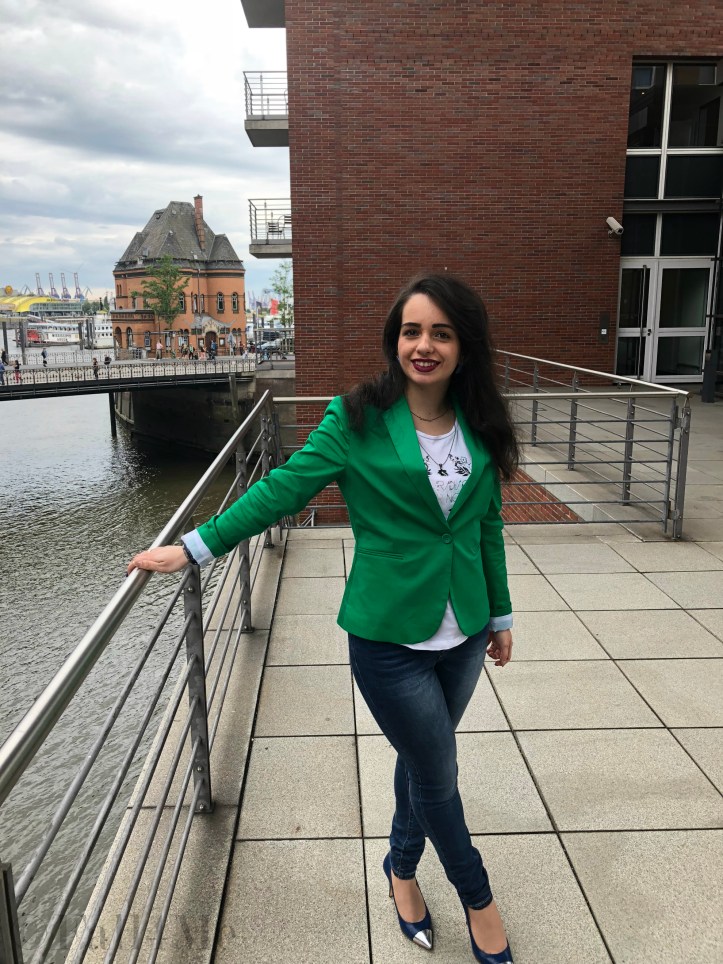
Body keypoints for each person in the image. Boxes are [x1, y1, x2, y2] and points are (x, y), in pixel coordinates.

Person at [127, 274, 518, 963]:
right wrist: (194, 546)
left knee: (421, 762)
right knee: (439, 770)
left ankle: (399, 868)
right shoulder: (356, 418)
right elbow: (281, 489)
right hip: (387, 635)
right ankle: (477, 899)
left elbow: (484, 524)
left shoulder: (479, 419)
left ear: (464, 345)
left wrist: (500, 613)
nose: (422, 346)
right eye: (410, 331)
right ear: (394, 339)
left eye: (440, 333)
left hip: (463, 632)